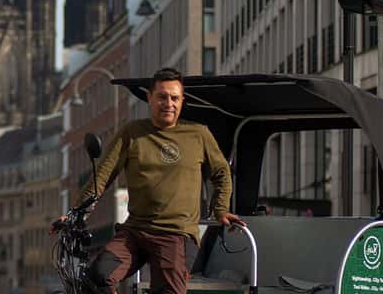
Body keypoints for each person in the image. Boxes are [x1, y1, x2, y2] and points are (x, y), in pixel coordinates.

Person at [51, 67, 245, 294]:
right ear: (150, 98)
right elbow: (101, 176)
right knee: (96, 279)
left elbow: (222, 172)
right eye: (162, 97)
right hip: (135, 231)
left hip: (176, 234)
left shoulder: (198, 134)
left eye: (175, 98)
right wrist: (76, 214)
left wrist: (220, 209)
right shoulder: (132, 132)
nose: (169, 103)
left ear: (182, 101)